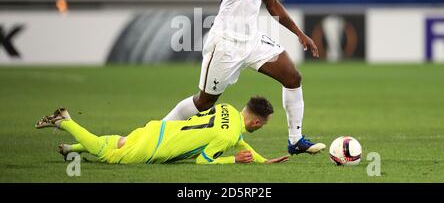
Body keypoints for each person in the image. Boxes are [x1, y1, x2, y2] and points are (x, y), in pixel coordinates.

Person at [163, 0, 325, 155]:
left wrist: (300, 34)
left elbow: (273, 5)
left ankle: (295, 140)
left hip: (251, 40)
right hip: (226, 43)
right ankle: (159, 130)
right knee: (204, 102)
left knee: (292, 76)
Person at [35, 97, 289, 164]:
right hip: (157, 148)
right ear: (256, 122)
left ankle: (71, 149)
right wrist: (232, 160)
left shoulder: (227, 109)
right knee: (107, 155)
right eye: (262, 125)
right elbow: (203, 162)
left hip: (159, 128)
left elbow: (240, 139)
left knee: (119, 142)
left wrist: (262, 160)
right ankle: (65, 122)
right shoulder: (228, 136)